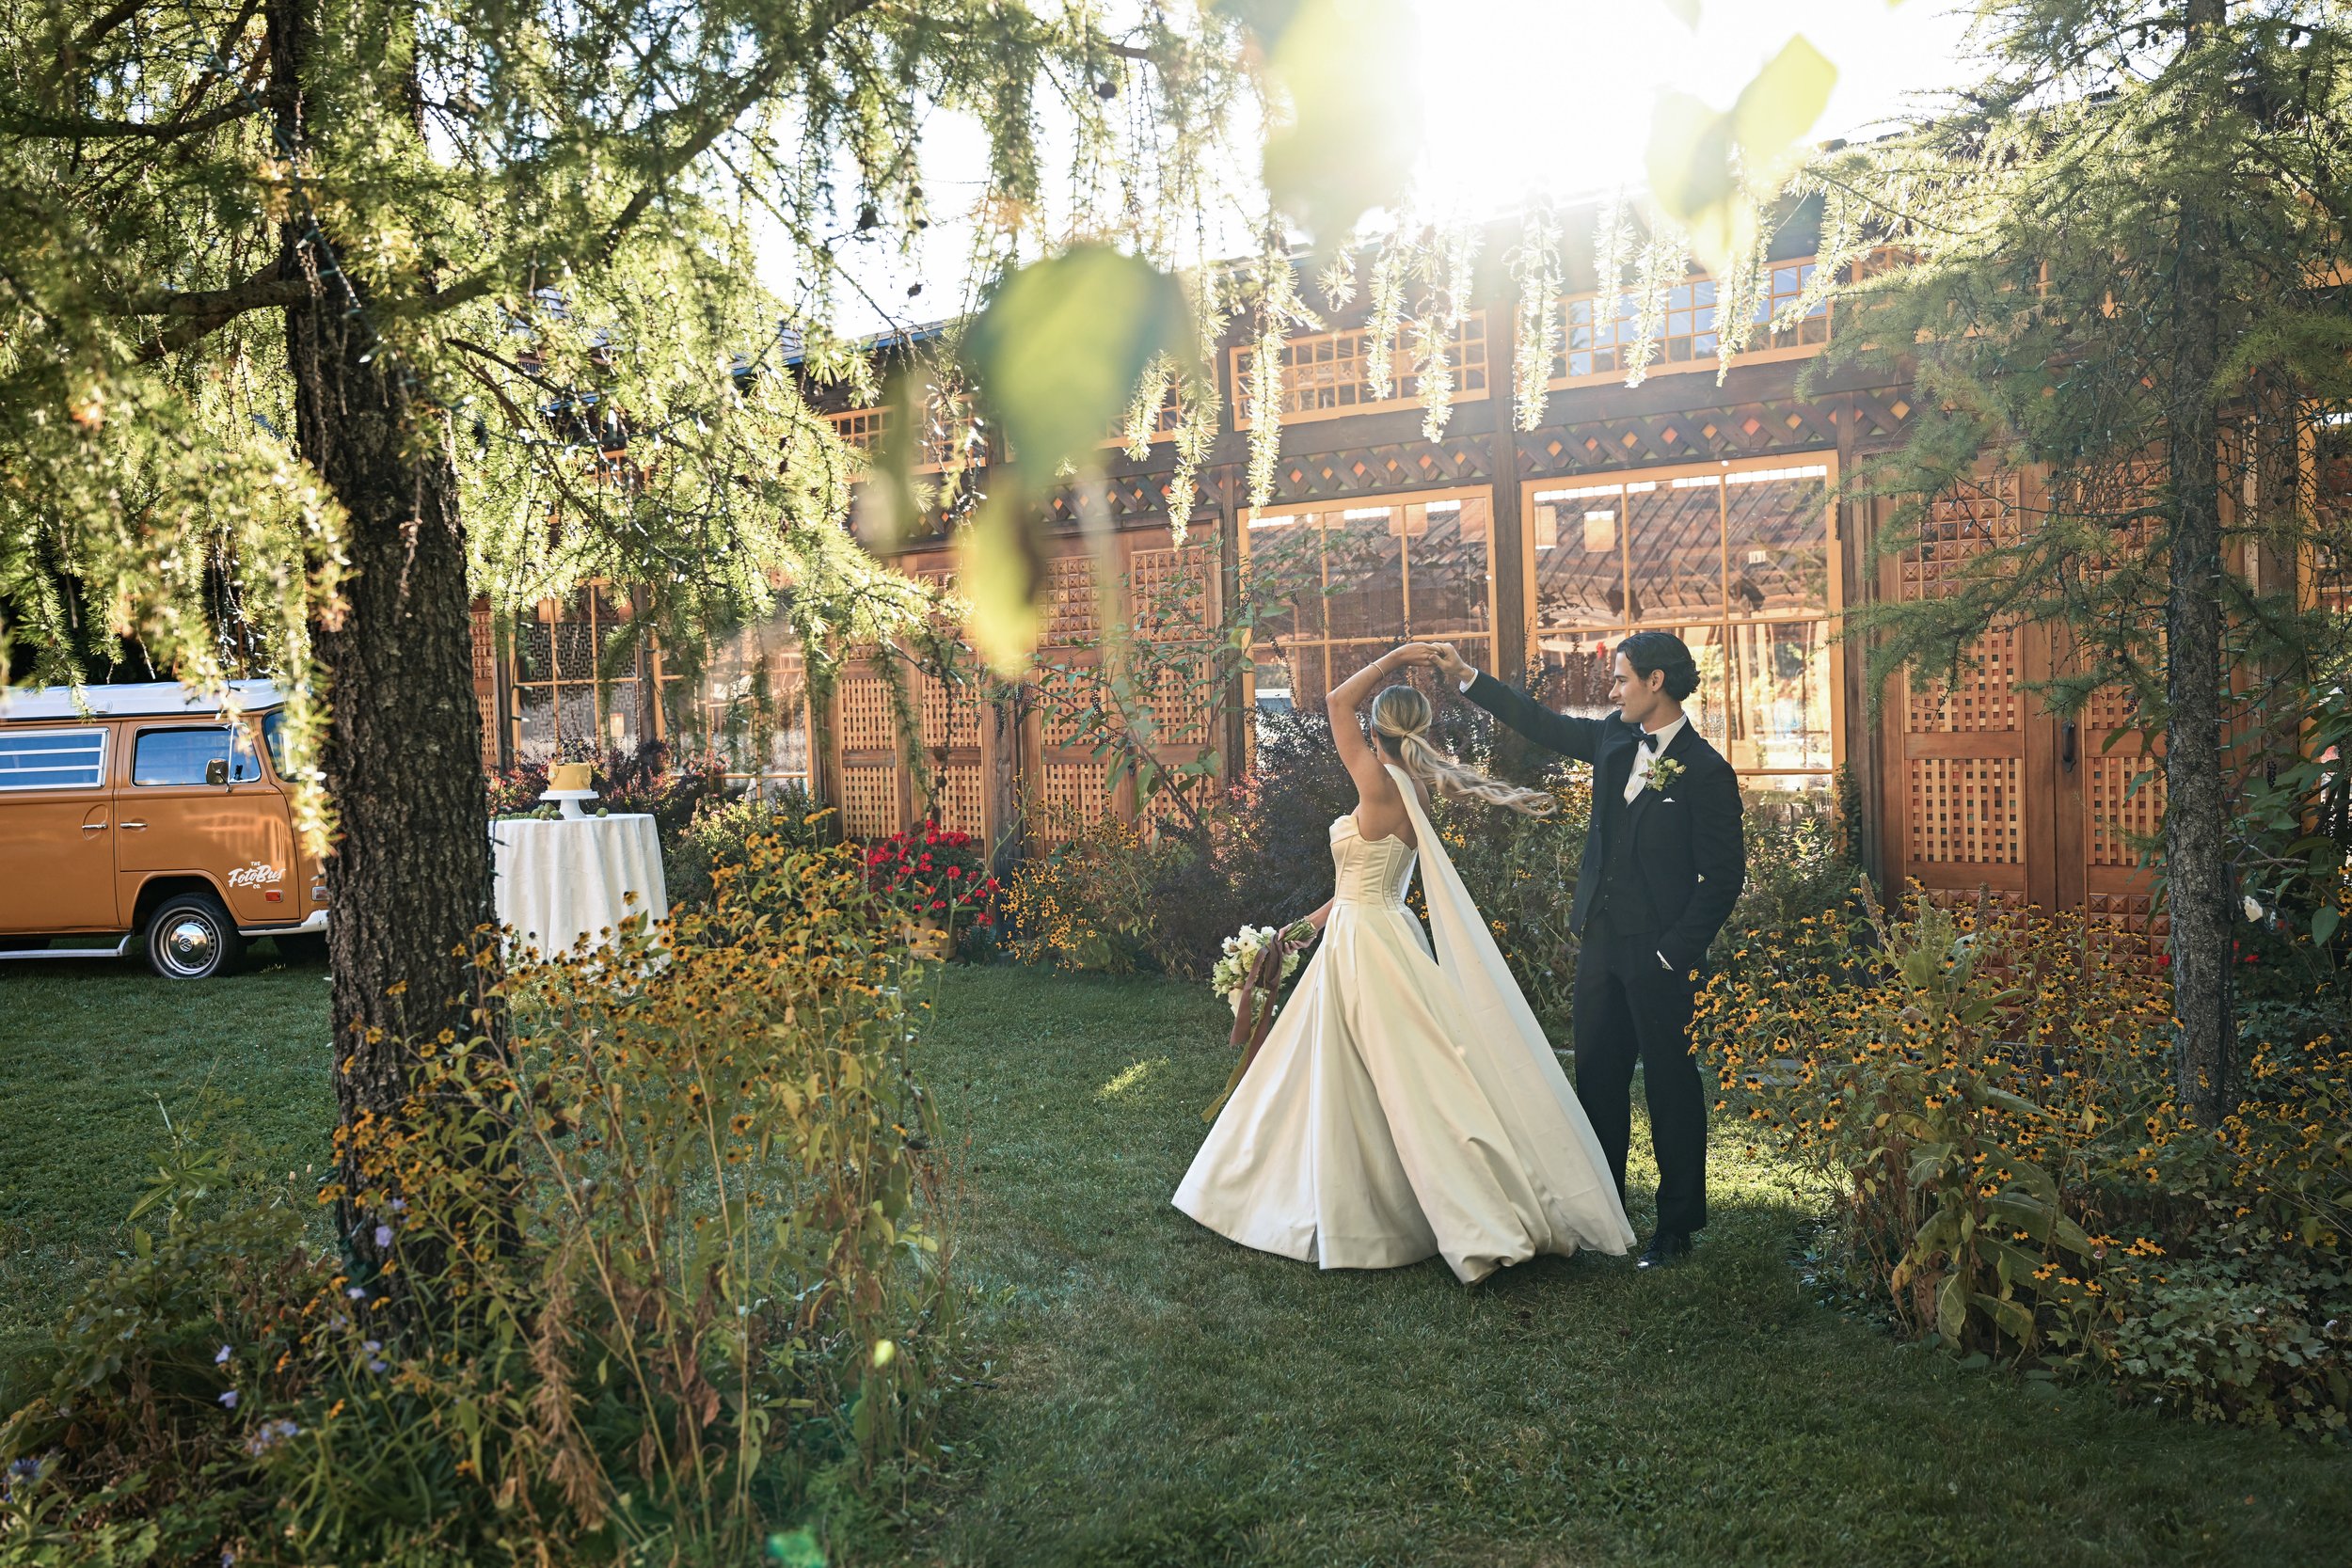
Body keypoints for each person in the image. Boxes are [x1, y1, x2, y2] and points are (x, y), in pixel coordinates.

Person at [1173, 644, 1633, 1284]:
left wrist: (1398, 657)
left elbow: (1336, 701)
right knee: (1365, 1074)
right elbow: (1358, 884)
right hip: (1371, 931)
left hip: (1367, 946)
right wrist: (1299, 931)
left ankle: (1455, 1216)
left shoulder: (1380, 784)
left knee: (1404, 1080)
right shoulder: (1411, 791)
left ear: (1376, 730)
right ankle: (1362, 1199)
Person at [1397, 633, 1745, 1269]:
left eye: (1621, 679)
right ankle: (1602, 1214)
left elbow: (1724, 877)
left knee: (1670, 1085)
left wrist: (1674, 951)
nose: (1613, 692)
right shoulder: (1613, 738)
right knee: (1597, 1081)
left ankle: (1676, 1228)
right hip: (1602, 942)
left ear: (1656, 682)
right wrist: (1468, 676)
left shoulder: (1706, 770)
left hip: (1661, 956)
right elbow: (1541, 724)